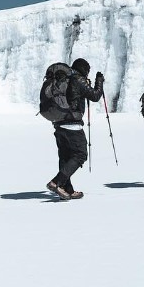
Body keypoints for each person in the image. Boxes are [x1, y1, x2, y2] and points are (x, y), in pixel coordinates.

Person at [47, 58, 104, 200]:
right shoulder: (78, 79)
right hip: (72, 124)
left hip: (59, 123)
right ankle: (56, 182)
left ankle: (67, 189)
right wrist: (99, 81)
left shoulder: (65, 79)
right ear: (84, 69)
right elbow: (95, 96)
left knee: (65, 157)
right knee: (80, 154)